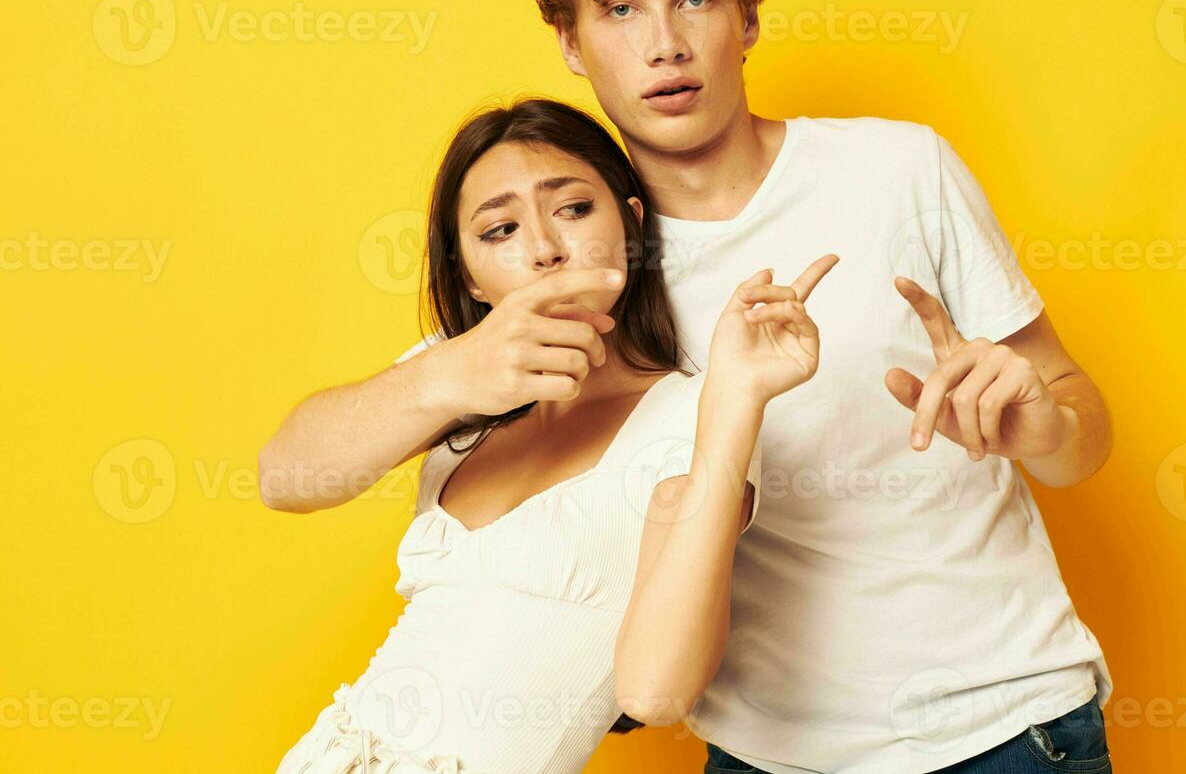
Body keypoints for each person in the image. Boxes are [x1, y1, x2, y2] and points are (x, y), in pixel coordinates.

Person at [266, 0, 1116, 774]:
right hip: (762, 751)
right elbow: (295, 471)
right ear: (572, 45)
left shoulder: (900, 168)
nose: (664, 44)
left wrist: (1041, 427)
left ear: (747, 15)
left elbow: (1081, 424)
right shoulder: (583, 266)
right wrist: (451, 374)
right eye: (619, 10)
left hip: (1000, 727)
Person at [262, 98, 836, 772]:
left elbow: (656, 691)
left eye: (572, 209)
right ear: (470, 278)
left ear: (633, 225)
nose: (543, 249)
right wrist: (450, 372)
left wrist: (737, 399)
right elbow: (285, 478)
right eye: (500, 229)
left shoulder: (693, 412)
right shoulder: (465, 373)